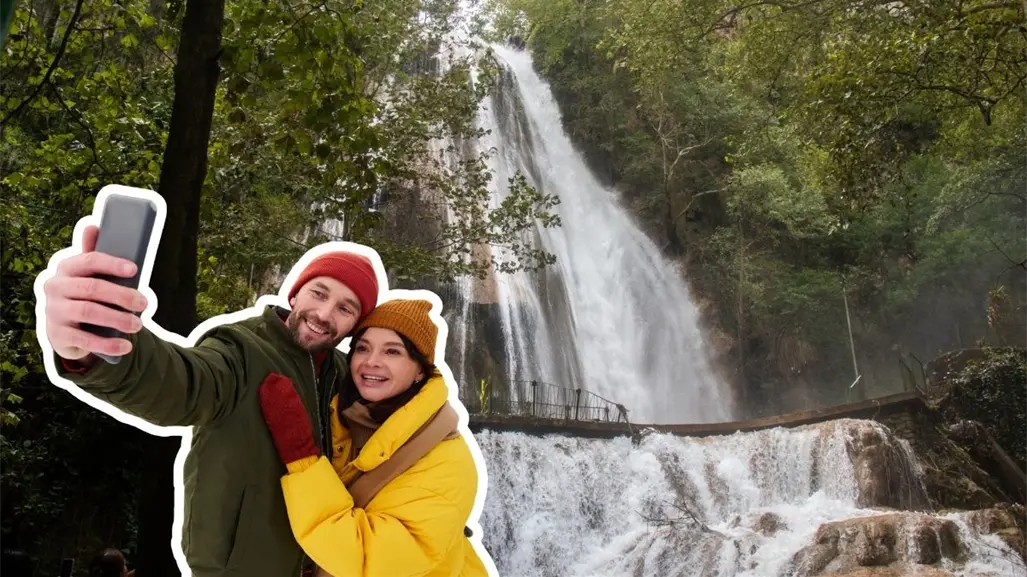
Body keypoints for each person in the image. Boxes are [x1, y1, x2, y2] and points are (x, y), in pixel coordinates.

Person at [38, 220, 382, 577]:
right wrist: (98, 351)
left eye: (346, 308)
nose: (324, 315)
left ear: (355, 325)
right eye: (319, 293)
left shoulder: (347, 376)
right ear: (294, 294)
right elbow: (182, 382)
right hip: (238, 568)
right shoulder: (242, 349)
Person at [258, 298, 489, 577]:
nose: (371, 362)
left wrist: (302, 458)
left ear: (419, 370)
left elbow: (369, 558)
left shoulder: (447, 462)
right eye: (362, 348)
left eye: (392, 352)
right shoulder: (339, 421)